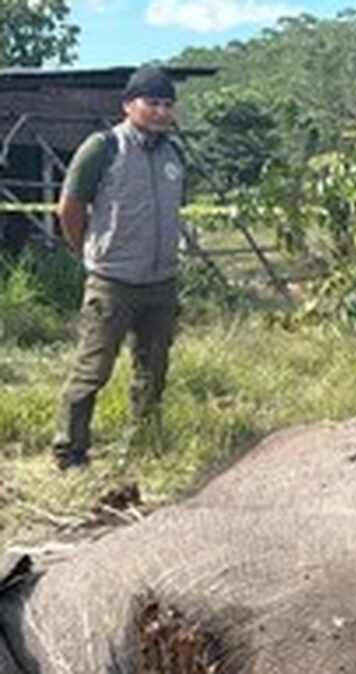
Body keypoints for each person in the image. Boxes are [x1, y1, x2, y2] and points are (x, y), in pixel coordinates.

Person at [52, 66, 187, 471]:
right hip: (113, 282)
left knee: (153, 368)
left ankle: (144, 442)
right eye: (152, 103)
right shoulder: (104, 148)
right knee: (93, 370)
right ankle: (70, 451)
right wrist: (90, 254)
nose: (161, 112)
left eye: (168, 104)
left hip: (161, 283)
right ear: (129, 105)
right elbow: (69, 208)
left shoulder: (173, 154)